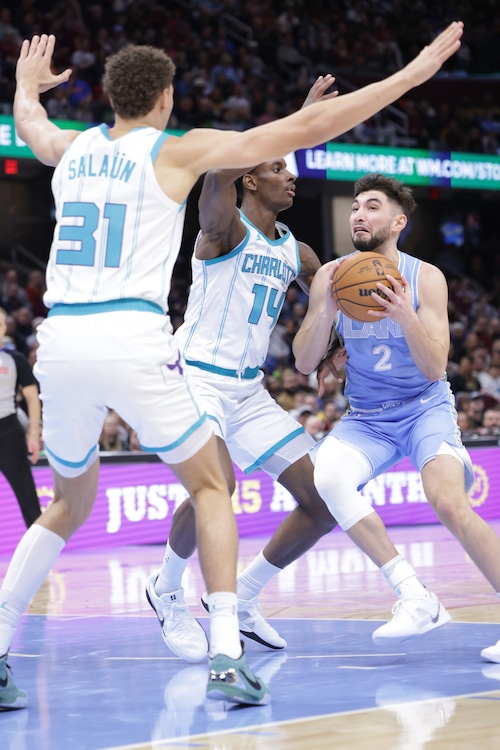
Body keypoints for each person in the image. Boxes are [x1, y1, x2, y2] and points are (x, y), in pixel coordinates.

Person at [0, 23, 464, 711]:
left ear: (109, 95)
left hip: (64, 341)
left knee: (69, 505)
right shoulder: (186, 163)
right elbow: (269, 144)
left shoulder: (71, 148)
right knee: (214, 488)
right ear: (164, 97)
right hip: (150, 344)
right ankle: (216, 644)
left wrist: (23, 84)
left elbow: (33, 124)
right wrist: (408, 75)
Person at [146, 76, 341, 663]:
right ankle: (166, 587)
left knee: (322, 501)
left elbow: (330, 303)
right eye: (281, 168)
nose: (293, 177)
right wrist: (295, 119)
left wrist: (334, 345)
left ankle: (249, 594)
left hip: (250, 391)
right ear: (252, 176)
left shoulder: (298, 252)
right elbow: (216, 175)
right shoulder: (222, 224)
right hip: (196, 375)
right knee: (219, 487)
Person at [291, 172, 500, 662]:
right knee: (329, 478)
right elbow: (302, 362)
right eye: (355, 207)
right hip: (367, 417)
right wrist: (326, 308)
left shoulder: (426, 277)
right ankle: (414, 595)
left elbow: (434, 366)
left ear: (398, 221)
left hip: (424, 408)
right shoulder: (332, 275)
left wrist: (405, 312)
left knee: (449, 502)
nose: (359, 215)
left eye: (371, 207)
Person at [0, 307, 42, 528]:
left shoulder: (14, 359)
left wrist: (33, 433)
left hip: (8, 431)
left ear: (4, 328)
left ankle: (40, 552)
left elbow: (33, 399)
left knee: (27, 496)